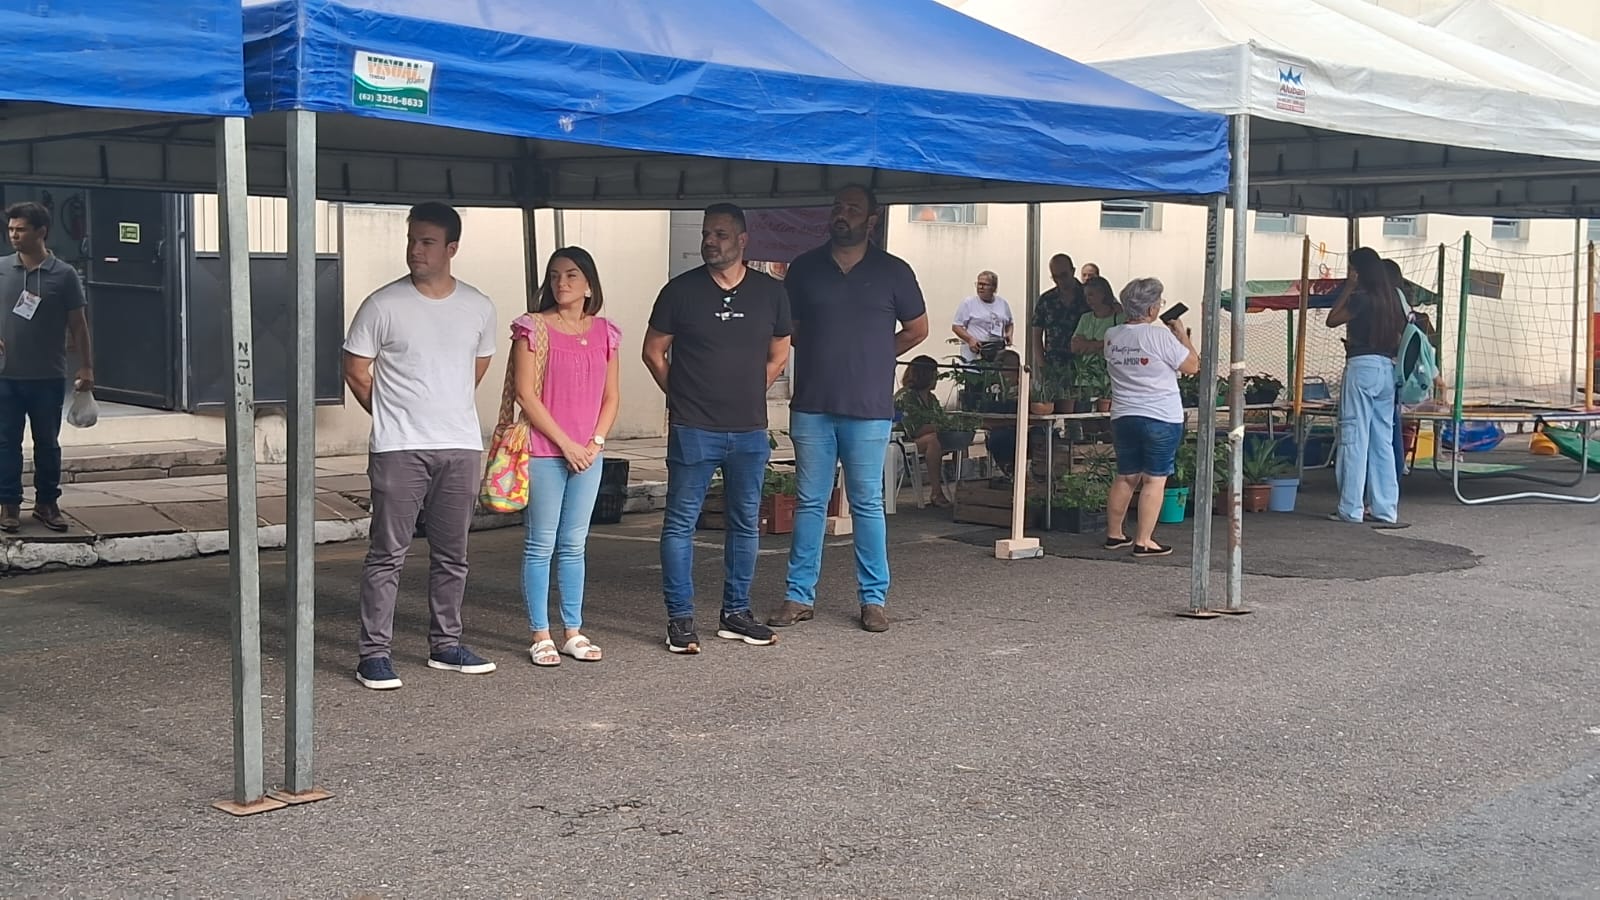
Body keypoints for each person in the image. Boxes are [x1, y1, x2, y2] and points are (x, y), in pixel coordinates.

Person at [343, 202, 498, 690]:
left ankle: (446, 645)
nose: (415, 249)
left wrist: (442, 407)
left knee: (454, 553)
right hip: (400, 447)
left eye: (427, 241)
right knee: (388, 552)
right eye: (412, 239)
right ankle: (374, 652)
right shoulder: (382, 305)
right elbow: (355, 369)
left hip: (459, 445)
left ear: (452, 248)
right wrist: (391, 413)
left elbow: (476, 367)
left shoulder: (478, 306)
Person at [766, 184, 929, 634]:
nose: (843, 214)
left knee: (867, 504)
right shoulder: (804, 268)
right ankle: (799, 597)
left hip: (868, 406)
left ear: (871, 220)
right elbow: (788, 329)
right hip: (813, 404)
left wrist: (879, 354)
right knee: (811, 504)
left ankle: (873, 599)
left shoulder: (894, 271)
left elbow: (918, 329)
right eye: (838, 207)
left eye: (853, 209)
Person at [643, 203, 791, 655]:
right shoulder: (680, 291)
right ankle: (680, 620)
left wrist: (749, 390)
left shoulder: (771, 293)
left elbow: (779, 354)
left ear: (743, 240)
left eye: (722, 235)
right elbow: (653, 352)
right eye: (707, 234)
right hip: (694, 428)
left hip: (748, 430)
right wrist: (683, 396)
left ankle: (736, 613)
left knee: (746, 523)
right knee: (681, 523)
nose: (711, 241)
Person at [514, 246, 622, 666]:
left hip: (588, 455)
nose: (562, 283)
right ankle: (540, 633)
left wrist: (594, 443)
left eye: (572, 275)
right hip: (546, 452)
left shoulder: (607, 332)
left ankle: (572, 630)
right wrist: (567, 444)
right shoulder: (532, 328)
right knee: (540, 544)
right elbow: (526, 396)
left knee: (575, 544)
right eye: (555, 275)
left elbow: (612, 397)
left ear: (589, 284)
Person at [1, 202, 93, 534]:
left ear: (41, 232)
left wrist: (86, 366)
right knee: (6, 442)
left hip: (48, 377)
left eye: (20, 229)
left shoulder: (64, 275)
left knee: (47, 443)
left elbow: (79, 325)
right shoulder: (1, 269)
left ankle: (47, 504)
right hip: (5, 376)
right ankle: (8, 504)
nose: (13, 235)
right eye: (11, 229)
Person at [1102, 278, 1199, 557]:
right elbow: (1193, 366)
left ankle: (1114, 533)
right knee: (1154, 479)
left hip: (1123, 414)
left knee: (1126, 475)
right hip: (1160, 416)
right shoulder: (1159, 336)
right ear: (1152, 308)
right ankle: (1144, 540)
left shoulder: (1112, 335)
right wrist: (1181, 333)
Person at [1326, 247, 1407, 529]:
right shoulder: (1392, 300)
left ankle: (1351, 508)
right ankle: (1386, 508)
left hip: (1362, 368)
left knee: (1354, 437)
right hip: (1388, 369)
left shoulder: (1361, 298)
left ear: (1359, 271)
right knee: (1382, 440)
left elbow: (1332, 319)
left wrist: (1348, 287)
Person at [894, 355, 948, 507]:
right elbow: (914, 430)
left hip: (925, 439)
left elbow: (941, 420)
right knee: (933, 441)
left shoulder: (932, 398)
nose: (937, 378)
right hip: (900, 442)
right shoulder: (905, 397)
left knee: (942, 438)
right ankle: (936, 492)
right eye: (934, 374)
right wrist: (941, 426)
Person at [983, 349, 1046, 477]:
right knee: (999, 438)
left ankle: (1034, 475)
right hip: (1003, 428)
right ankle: (1010, 473)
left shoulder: (1030, 385)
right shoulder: (993, 389)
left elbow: (1040, 411)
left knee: (1040, 436)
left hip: (1028, 427)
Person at [1031, 253, 1088, 374]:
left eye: (1064, 275)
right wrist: (1042, 366)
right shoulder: (1046, 300)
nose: (1061, 281)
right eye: (1055, 277)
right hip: (1054, 366)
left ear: (1073, 271)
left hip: (1084, 366)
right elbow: (1036, 335)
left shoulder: (1089, 296)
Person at [951, 270, 1012, 361]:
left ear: (994, 287)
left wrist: (1009, 334)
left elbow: (1009, 323)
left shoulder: (1003, 304)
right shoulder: (969, 303)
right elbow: (956, 326)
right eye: (979, 284)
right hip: (976, 349)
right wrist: (970, 339)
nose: (981, 287)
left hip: (996, 349)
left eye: (985, 285)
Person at [1069, 276, 1125, 359]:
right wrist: (1102, 344)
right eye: (1086, 296)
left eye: (1091, 295)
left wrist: (1087, 344)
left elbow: (1121, 345)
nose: (1088, 299)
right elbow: (1074, 347)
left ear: (1103, 293)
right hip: (1087, 370)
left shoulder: (1121, 318)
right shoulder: (1085, 318)